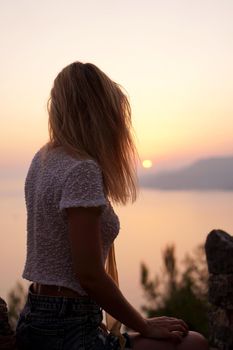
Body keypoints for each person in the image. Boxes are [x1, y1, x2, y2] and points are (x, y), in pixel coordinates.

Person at [16, 61, 209, 350]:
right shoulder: (81, 169)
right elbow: (89, 274)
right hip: (70, 329)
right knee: (193, 343)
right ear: (99, 114)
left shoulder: (43, 159)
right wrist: (143, 325)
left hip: (37, 316)